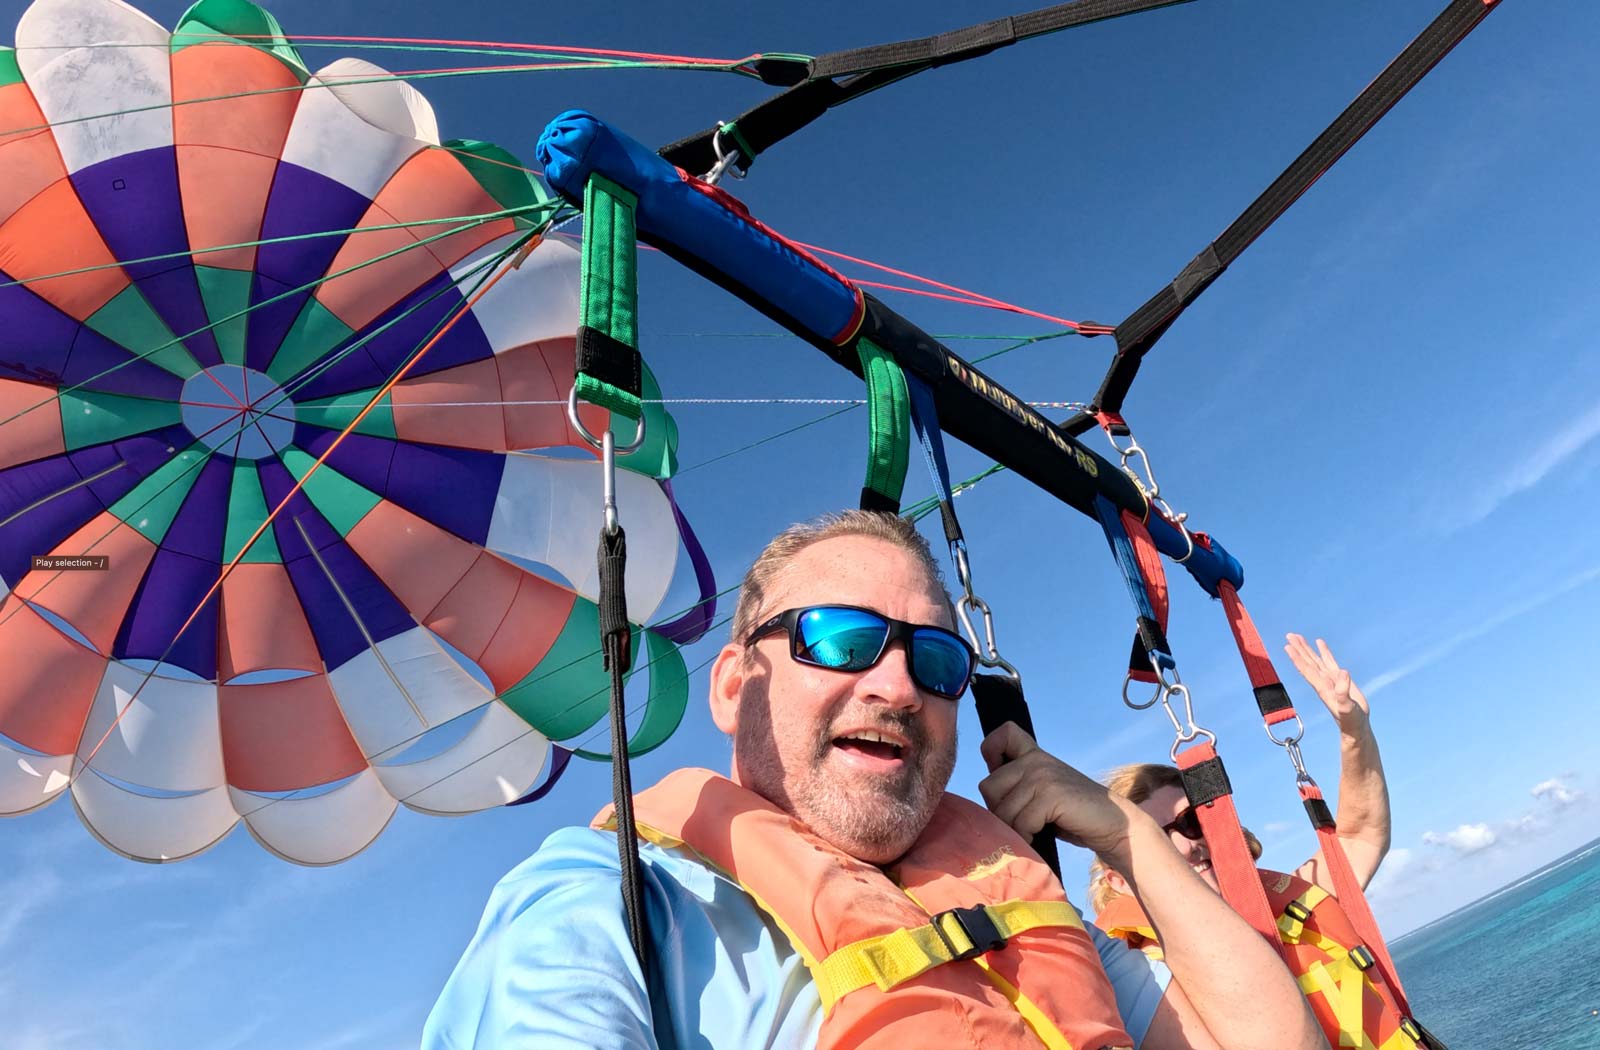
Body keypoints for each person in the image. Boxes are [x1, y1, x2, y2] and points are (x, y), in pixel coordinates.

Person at [424, 511, 1325, 1050]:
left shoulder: (1008, 900)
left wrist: (1120, 832)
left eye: (935, 660)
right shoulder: (609, 905)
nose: (897, 688)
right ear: (736, 686)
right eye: (839, 640)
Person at [1089, 636, 1410, 1046]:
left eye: (1191, 821)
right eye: (1157, 840)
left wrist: (1355, 731)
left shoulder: (1287, 910)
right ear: (1118, 881)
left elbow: (1360, 836)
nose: (1188, 846)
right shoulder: (1141, 985)